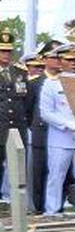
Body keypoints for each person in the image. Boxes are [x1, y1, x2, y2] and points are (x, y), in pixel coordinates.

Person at [39, 45, 75, 217]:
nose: (73, 63)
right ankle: (52, 210)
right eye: (69, 60)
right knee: (56, 176)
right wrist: (68, 124)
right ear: (61, 62)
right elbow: (46, 113)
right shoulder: (51, 84)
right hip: (61, 137)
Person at [27, 40, 62, 214]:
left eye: (59, 57)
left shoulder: (66, 81)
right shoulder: (35, 83)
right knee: (40, 171)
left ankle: (58, 206)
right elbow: (28, 109)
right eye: (54, 57)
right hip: (42, 132)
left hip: (62, 133)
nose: (58, 61)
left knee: (61, 171)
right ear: (45, 59)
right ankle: (40, 208)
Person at [0, 30, 29, 202]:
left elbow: (28, 101)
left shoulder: (19, 72)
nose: (6, 55)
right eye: (2, 51)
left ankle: (15, 202)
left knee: (17, 167)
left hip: (17, 127)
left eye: (8, 51)